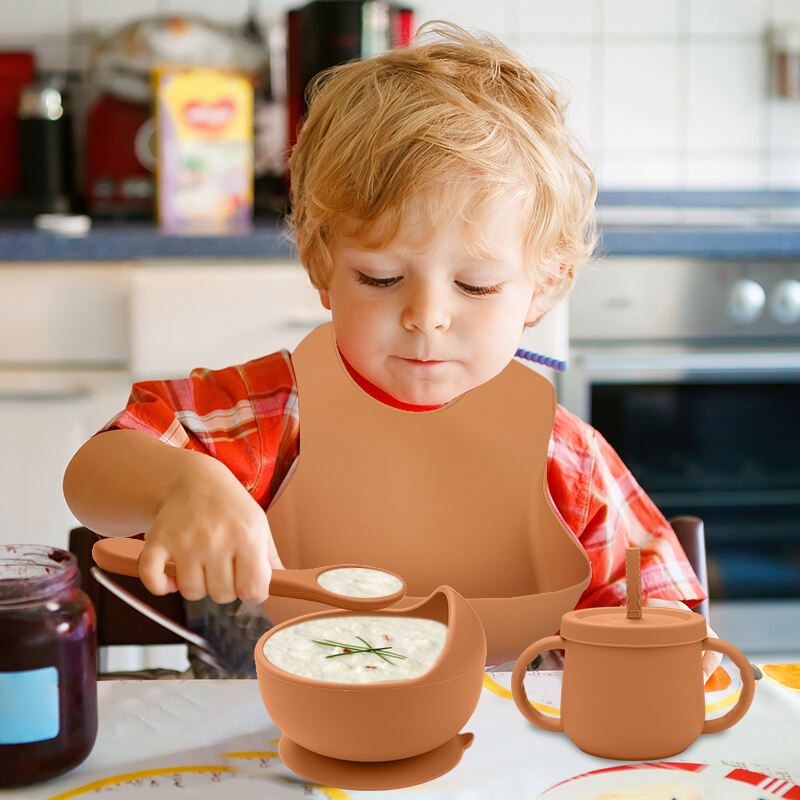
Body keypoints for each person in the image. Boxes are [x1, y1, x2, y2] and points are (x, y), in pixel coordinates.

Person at [63, 22, 720, 678]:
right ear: (321, 264)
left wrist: (644, 662)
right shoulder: (271, 420)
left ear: (544, 288)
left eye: (476, 284)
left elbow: (660, 611)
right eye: (380, 278)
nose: (425, 317)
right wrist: (188, 483)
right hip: (272, 751)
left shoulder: (565, 461)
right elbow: (94, 470)